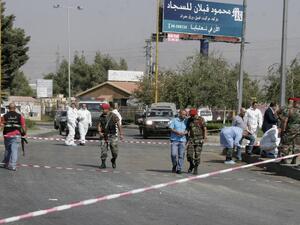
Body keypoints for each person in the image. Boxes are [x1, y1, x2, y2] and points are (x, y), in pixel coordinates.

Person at [1, 103, 26, 171]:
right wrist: (24, 134)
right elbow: (23, 126)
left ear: (8, 108)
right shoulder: (19, 116)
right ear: (15, 108)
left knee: (8, 149)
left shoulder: (4, 116)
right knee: (14, 150)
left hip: (7, 135)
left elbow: (1, 125)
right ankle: (13, 166)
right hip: (17, 135)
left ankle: (6, 163)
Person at [98, 103, 123, 169]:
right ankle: (103, 163)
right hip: (104, 136)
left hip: (113, 135)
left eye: (104, 109)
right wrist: (100, 132)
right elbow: (99, 125)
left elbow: (118, 124)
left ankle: (113, 160)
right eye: (102, 109)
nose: (103, 110)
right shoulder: (101, 116)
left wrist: (121, 134)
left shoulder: (113, 115)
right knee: (103, 150)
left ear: (107, 109)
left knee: (115, 151)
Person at [279, 98, 300, 164]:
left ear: (295, 103)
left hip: (290, 129)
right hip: (299, 130)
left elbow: (285, 121)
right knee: (297, 145)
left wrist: (283, 130)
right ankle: (294, 159)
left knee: (285, 144)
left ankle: (284, 159)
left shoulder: (290, 110)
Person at [186, 108, 207, 175]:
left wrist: (205, 137)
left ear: (196, 114)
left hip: (199, 139)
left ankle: (196, 168)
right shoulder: (189, 120)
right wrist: (186, 138)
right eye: (190, 115)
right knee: (189, 155)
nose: (191, 116)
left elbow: (204, 128)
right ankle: (191, 164)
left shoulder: (201, 119)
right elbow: (187, 129)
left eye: (192, 115)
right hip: (191, 139)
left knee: (197, 155)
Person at [169, 109, 187, 174]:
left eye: (185, 114)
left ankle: (179, 169)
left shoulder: (186, 121)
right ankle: (174, 165)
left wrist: (184, 133)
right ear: (179, 114)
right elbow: (171, 128)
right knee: (173, 154)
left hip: (183, 140)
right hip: (174, 140)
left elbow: (188, 129)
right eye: (183, 114)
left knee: (181, 155)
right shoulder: (174, 120)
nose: (184, 116)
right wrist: (177, 132)